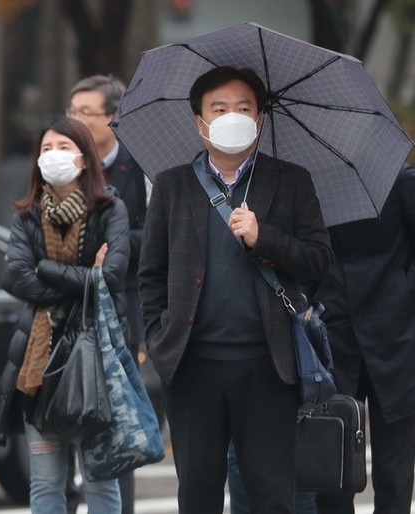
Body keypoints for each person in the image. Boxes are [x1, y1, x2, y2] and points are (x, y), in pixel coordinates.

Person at [138, 66, 333, 513]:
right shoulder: (172, 185)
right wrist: (158, 335)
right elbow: (150, 274)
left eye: (243, 108)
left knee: (272, 494)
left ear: (260, 119)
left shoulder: (290, 179)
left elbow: (320, 260)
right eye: (219, 108)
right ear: (200, 122)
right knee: (198, 495)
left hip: (268, 365)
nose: (232, 117)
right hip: (192, 366)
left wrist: (265, 238)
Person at [0, 115, 131, 513]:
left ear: (85, 159)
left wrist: (48, 270)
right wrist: (86, 278)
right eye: (47, 149)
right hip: (37, 366)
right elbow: (14, 276)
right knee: (46, 483)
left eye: (64, 148)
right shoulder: (27, 216)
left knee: (101, 482)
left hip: (96, 362)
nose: (53, 156)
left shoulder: (110, 210)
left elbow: (113, 276)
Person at [68, 74, 150, 514]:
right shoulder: (61, 164)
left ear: (112, 118)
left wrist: (114, 244)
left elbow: (158, 236)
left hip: (124, 308)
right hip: (67, 311)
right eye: (71, 112)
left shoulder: (141, 167)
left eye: (85, 113)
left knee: (120, 426)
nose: (75, 122)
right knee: (62, 426)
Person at [314, 165, 415, 514]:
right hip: (333, 339)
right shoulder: (311, 182)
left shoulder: (399, 179)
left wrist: (404, 295)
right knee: (332, 475)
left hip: (396, 338)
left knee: (394, 474)